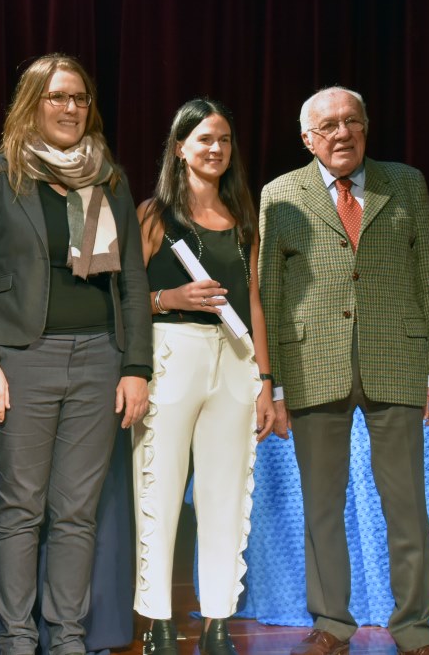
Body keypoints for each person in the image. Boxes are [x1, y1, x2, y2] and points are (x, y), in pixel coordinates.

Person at [0, 53, 151, 655]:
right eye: (57, 97)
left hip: (99, 359)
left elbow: (134, 285)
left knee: (77, 513)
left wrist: (136, 366)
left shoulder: (107, 178)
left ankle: (67, 638)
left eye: (80, 98)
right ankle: (17, 639)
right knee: (21, 509)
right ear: (31, 103)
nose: (71, 108)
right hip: (22, 358)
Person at [258, 86, 429, 655]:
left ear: (366, 127)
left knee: (407, 504)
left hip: (398, 359)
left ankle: (415, 628)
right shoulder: (280, 195)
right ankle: (331, 625)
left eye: (351, 122)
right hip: (311, 364)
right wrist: (275, 385)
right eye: (328, 126)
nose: (342, 134)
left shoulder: (406, 183)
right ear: (307, 138)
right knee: (321, 504)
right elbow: (269, 293)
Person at [134, 99, 283, 655]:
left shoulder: (244, 218)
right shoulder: (153, 213)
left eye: (223, 139)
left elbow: (256, 303)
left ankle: (218, 621)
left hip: (236, 360)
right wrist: (169, 296)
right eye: (203, 139)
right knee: (159, 489)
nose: (216, 148)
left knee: (226, 495)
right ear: (180, 148)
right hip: (172, 351)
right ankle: (158, 622)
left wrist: (265, 380)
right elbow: (124, 299)